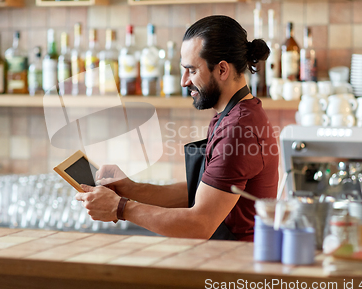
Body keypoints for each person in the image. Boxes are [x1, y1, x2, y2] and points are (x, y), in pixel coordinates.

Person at [76, 15, 279, 241]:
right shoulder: (229, 116)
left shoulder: (239, 129)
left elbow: (199, 224)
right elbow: (201, 192)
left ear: (222, 70)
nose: (184, 81)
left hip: (235, 267)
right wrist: (129, 188)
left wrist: (121, 208)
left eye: (191, 70)